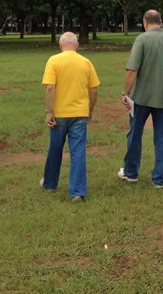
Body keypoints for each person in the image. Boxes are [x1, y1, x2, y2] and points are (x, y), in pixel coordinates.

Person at [118, 9, 163, 187]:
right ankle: (159, 178)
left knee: (134, 134)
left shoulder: (142, 39)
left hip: (141, 97)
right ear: (161, 21)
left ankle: (131, 172)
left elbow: (132, 70)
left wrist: (126, 92)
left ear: (145, 22)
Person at [40, 32, 100, 202]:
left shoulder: (54, 61)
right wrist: (90, 110)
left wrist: (49, 112)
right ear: (77, 45)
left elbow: (50, 88)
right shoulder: (86, 62)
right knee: (78, 151)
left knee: (55, 149)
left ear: (60, 45)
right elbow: (94, 90)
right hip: (79, 114)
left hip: (59, 114)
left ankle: (50, 183)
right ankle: (78, 192)